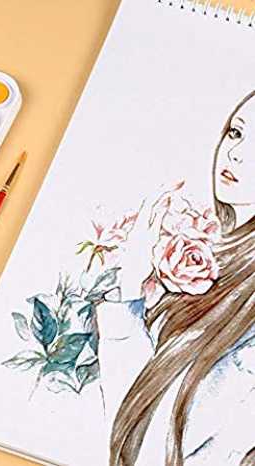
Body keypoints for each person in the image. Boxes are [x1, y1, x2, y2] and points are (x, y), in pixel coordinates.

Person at [97, 90, 255, 466]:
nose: (235, 153)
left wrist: (128, 293)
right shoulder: (213, 247)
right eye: (236, 132)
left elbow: (148, 444)